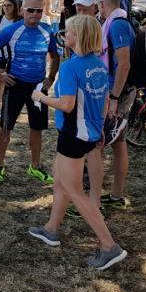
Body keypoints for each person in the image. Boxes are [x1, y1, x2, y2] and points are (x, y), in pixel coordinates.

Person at [28, 15, 128, 271]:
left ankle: (109, 246)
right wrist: (100, 129)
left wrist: (40, 97)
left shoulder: (71, 67)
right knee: (60, 181)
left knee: (74, 190)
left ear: (79, 37)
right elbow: (103, 101)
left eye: (69, 32)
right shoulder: (99, 65)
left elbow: (67, 104)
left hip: (73, 135)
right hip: (88, 133)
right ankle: (51, 229)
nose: (65, 35)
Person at [0, 0, 59, 184]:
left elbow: (55, 55)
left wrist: (51, 77)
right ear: (22, 11)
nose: (35, 14)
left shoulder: (47, 30)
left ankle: (35, 166)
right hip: (15, 85)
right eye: (30, 10)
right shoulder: (11, 30)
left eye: (39, 11)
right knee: (6, 126)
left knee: (37, 127)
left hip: (38, 87)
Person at [97, 0, 136, 210]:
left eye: (98, 5)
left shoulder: (117, 25)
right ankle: (115, 195)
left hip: (117, 93)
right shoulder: (117, 22)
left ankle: (95, 198)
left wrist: (113, 97)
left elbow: (124, 64)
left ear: (103, 4)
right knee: (118, 143)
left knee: (100, 144)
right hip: (116, 92)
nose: (98, 10)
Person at [0, 0, 19, 122]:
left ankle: (9, 109)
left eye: (9, 5)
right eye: (4, 5)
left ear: (15, 7)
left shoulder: (19, 21)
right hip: (0, 55)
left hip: (15, 57)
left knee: (13, 83)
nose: (6, 8)